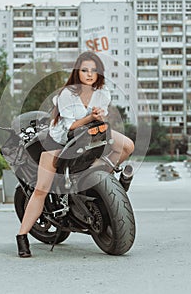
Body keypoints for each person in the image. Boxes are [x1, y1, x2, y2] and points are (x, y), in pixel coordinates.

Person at [16, 51, 135, 257]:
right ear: (77, 72)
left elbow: (99, 116)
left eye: (93, 70)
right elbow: (70, 125)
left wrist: (98, 116)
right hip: (60, 139)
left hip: (87, 135)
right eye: (84, 70)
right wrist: (91, 117)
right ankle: (22, 236)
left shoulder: (102, 92)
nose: (89, 74)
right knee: (41, 190)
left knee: (127, 146)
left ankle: (100, 184)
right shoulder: (67, 94)